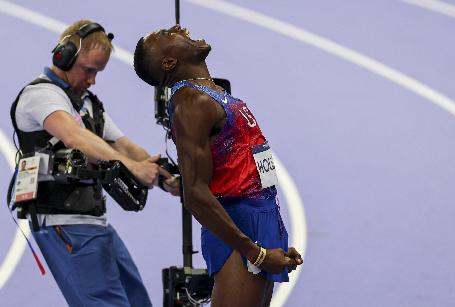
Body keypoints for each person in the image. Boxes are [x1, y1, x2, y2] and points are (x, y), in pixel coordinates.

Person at [10, 19, 178, 307]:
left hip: (94, 222)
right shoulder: (40, 96)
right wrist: (133, 168)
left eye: (97, 73)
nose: (92, 80)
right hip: (63, 223)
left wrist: (165, 179)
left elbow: (122, 144)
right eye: (88, 70)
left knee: (138, 303)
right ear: (63, 57)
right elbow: (76, 137)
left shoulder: (86, 103)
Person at [133, 25, 303, 306]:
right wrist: (256, 252)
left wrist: (268, 235)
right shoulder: (191, 103)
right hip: (238, 224)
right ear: (169, 62)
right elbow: (195, 195)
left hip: (260, 217)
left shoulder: (212, 94)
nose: (179, 28)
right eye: (168, 33)